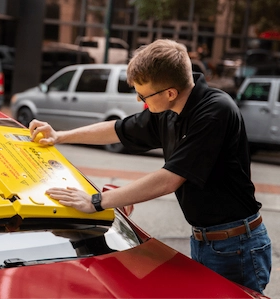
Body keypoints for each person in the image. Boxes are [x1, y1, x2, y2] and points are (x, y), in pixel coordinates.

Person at [29, 39, 271, 294]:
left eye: (143, 95)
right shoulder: (170, 110)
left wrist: (97, 201)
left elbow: (170, 179)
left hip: (237, 247)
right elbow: (119, 129)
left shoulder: (214, 113)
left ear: (170, 93)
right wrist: (60, 136)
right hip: (206, 240)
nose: (138, 99)